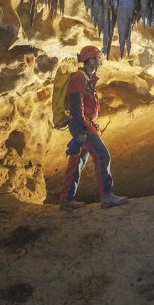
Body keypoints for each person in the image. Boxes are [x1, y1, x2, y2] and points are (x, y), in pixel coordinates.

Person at [59, 45, 129, 211]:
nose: (101, 62)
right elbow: (76, 105)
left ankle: (66, 200)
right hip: (83, 124)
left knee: (77, 161)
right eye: (98, 58)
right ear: (90, 60)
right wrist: (81, 131)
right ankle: (107, 196)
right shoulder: (79, 77)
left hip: (85, 124)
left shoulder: (87, 79)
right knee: (103, 156)